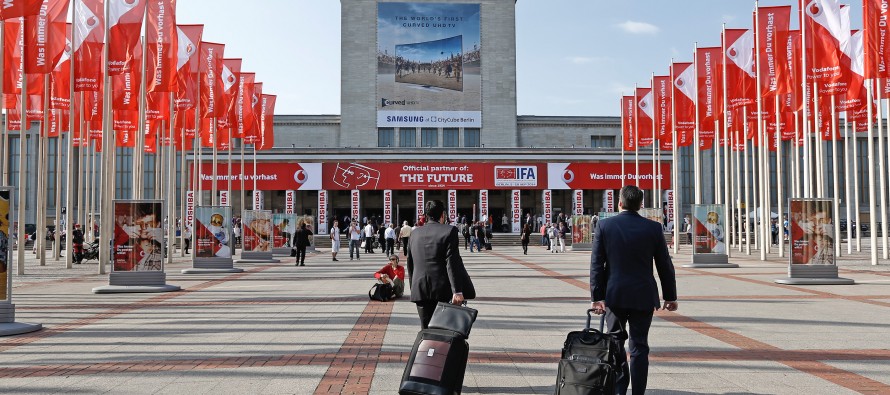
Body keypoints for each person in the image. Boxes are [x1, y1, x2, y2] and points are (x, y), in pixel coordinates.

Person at [590, 185, 678, 395]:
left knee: (616, 343)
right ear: (641, 204)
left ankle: (620, 389)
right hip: (643, 295)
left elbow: (596, 265)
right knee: (639, 346)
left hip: (615, 295)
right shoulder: (653, 228)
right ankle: (638, 392)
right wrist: (670, 296)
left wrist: (597, 297)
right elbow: (664, 265)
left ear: (620, 203)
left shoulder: (604, 226)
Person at [407, 200, 475, 329]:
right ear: (443, 215)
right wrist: (457, 291)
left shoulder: (414, 233)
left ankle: (425, 349)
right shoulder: (449, 231)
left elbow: (410, 263)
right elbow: (451, 261)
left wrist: (413, 287)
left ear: (426, 215)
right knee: (443, 330)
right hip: (442, 289)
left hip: (420, 289)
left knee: (425, 329)